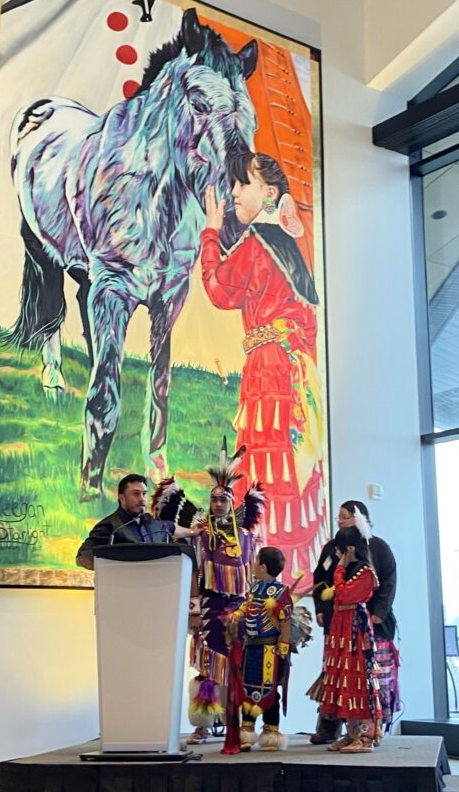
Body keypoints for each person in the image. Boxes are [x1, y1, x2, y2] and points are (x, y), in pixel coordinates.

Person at [201, 152, 327, 585]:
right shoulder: (289, 244)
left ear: (269, 192)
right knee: (289, 466)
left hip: (268, 371)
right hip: (292, 368)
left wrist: (210, 231)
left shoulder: (257, 242)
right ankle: (289, 573)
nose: (235, 191)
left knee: (262, 468)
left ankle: (256, 570)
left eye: (243, 183)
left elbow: (218, 289)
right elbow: (308, 319)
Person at [154, 441, 264, 745]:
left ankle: (238, 724)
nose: (217, 504)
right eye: (214, 500)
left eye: (223, 500)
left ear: (231, 503)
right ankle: (202, 725)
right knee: (206, 667)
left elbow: (253, 572)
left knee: (238, 667)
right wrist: (192, 611)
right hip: (210, 606)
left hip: (239, 608)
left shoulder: (245, 536)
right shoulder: (200, 533)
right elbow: (191, 569)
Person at [309, 500, 399, 743]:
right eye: (338, 516)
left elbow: (388, 582)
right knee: (335, 674)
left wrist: (378, 612)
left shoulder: (378, 548)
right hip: (338, 623)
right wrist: (321, 609)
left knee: (371, 677)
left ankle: (372, 730)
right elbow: (319, 578)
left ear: (360, 519)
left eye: (345, 516)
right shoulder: (332, 549)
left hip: (371, 625)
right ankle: (331, 726)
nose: (340, 520)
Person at [224, 546, 292, 753]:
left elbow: (286, 621)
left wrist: (283, 647)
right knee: (247, 688)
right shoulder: (254, 589)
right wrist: (237, 614)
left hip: (270, 650)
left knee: (270, 691)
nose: (253, 565)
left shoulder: (281, 592)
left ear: (262, 567)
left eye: (256, 562)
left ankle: (271, 732)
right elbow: (248, 606)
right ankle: (247, 730)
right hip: (251, 648)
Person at [320, 525, 382, 753]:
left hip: (355, 629)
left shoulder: (365, 572)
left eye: (338, 551)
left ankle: (365, 736)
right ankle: (352, 732)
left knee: (356, 676)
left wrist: (339, 570)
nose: (336, 555)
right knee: (342, 677)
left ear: (349, 549)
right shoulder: (349, 570)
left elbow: (344, 593)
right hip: (341, 626)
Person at [75, 473, 176, 569]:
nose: (142, 499)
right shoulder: (110, 526)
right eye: (136, 494)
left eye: (144, 494)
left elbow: (172, 528)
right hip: (121, 584)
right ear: (122, 498)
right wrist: (113, 568)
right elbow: (81, 557)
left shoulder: (150, 522)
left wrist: (191, 532)